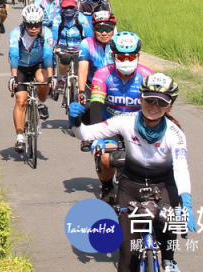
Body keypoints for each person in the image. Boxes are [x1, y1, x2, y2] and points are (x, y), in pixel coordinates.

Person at [77, 73, 193, 272]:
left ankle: (168, 260)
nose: (154, 107)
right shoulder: (126, 121)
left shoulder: (175, 134)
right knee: (127, 255)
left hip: (164, 185)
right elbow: (87, 134)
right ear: (140, 99)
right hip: (130, 185)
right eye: (149, 100)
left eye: (161, 103)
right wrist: (76, 122)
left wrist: (187, 202)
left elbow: (181, 168)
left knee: (167, 220)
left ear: (170, 107)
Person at [70, 31, 154, 200]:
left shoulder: (146, 75)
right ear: (113, 55)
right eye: (121, 57)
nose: (126, 61)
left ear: (137, 56)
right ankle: (107, 185)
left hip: (138, 126)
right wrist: (95, 137)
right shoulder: (103, 73)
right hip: (110, 124)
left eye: (130, 57)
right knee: (106, 158)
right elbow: (96, 105)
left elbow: (155, 109)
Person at [8, 4, 55, 151]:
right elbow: (14, 55)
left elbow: (48, 55)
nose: (33, 28)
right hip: (21, 66)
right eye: (30, 25)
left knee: (42, 79)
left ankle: (41, 102)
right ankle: (20, 137)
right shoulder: (16, 33)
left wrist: (51, 77)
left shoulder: (47, 33)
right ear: (24, 23)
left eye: (37, 25)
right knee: (20, 100)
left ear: (41, 23)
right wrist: (13, 77)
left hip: (38, 64)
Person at [50, 0, 92, 90]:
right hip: (63, 45)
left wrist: (90, 45)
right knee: (64, 59)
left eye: (71, 8)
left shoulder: (81, 17)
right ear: (62, 9)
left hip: (78, 46)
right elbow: (54, 32)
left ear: (75, 8)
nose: (68, 10)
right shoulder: (58, 18)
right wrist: (54, 46)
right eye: (65, 8)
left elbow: (88, 32)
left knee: (80, 66)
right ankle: (61, 78)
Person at [76, 10, 117, 94]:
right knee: (76, 107)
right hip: (93, 86)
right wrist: (81, 91)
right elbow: (83, 70)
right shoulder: (86, 43)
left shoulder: (119, 43)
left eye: (108, 29)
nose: (104, 33)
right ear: (94, 30)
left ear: (113, 30)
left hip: (114, 86)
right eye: (100, 29)